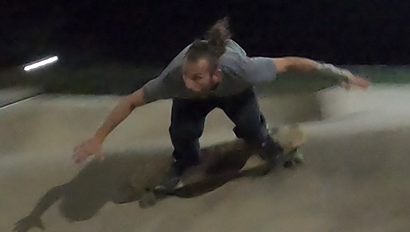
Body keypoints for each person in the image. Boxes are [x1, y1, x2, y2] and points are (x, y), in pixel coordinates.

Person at [72, 17, 372, 193]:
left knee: (252, 129)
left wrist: (340, 75)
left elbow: (293, 63)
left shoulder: (242, 69)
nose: (189, 83)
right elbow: (130, 102)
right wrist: (98, 138)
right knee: (182, 130)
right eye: (187, 77)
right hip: (193, 104)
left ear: (216, 73)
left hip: (235, 92)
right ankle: (185, 162)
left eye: (197, 78)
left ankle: (268, 145)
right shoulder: (174, 80)